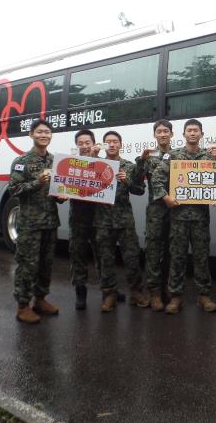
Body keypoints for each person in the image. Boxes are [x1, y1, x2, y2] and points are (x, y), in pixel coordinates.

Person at [151, 119, 216, 314]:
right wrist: (166, 198)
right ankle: (175, 297)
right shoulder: (173, 156)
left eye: (196, 130)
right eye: (189, 130)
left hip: (200, 218)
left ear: (201, 134)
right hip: (178, 218)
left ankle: (204, 296)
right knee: (177, 257)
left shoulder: (208, 156)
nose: (192, 133)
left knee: (201, 257)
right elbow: (157, 179)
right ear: (183, 134)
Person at [9, 119, 65, 324]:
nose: (44, 135)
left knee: (46, 264)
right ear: (32, 134)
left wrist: (61, 196)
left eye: (47, 132)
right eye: (40, 132)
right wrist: (36, 182)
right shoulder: (22, 161)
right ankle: (23, 306)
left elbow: (58, 189)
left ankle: (40, 300)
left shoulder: (55, 161)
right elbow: (14, 190)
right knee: (27, 265)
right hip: (30, 223)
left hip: (50, 221)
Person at [93, 130, 149, 312]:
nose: (111, 144)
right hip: (102, 220)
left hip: (124, 220)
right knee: (105, 259)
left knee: (132, 257)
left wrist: (127, 181)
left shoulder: (129, 166)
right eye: (108, 141)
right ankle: (109, 294)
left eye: (115, 141)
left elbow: (139, 190)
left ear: (120, 144)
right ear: (103, 145)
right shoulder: (95, 164)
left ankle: (136, 292)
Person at [133, 119, 174, 311]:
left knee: (172, 252)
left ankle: (168, 289)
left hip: (176, 210)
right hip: (156, 211)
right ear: (154, 135)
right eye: (159, 131)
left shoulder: (179, 156)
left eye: (166, 131)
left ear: (172, 134)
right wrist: (141, 160)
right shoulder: (148, 157)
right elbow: (136, 184)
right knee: (154, 252)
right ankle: (155, 293)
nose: (163, 134)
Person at [68, 129, 101, 310]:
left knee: (103, 254)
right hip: (79, 218)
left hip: (99, 217)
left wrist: (95, 159)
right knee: (78, 254)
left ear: (94, 143)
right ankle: (80, 291)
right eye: (81, 144)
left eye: (87, 143)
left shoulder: (103, 164)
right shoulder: (71, 165)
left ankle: (107, 289)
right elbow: (61, 188)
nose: (84, 146)